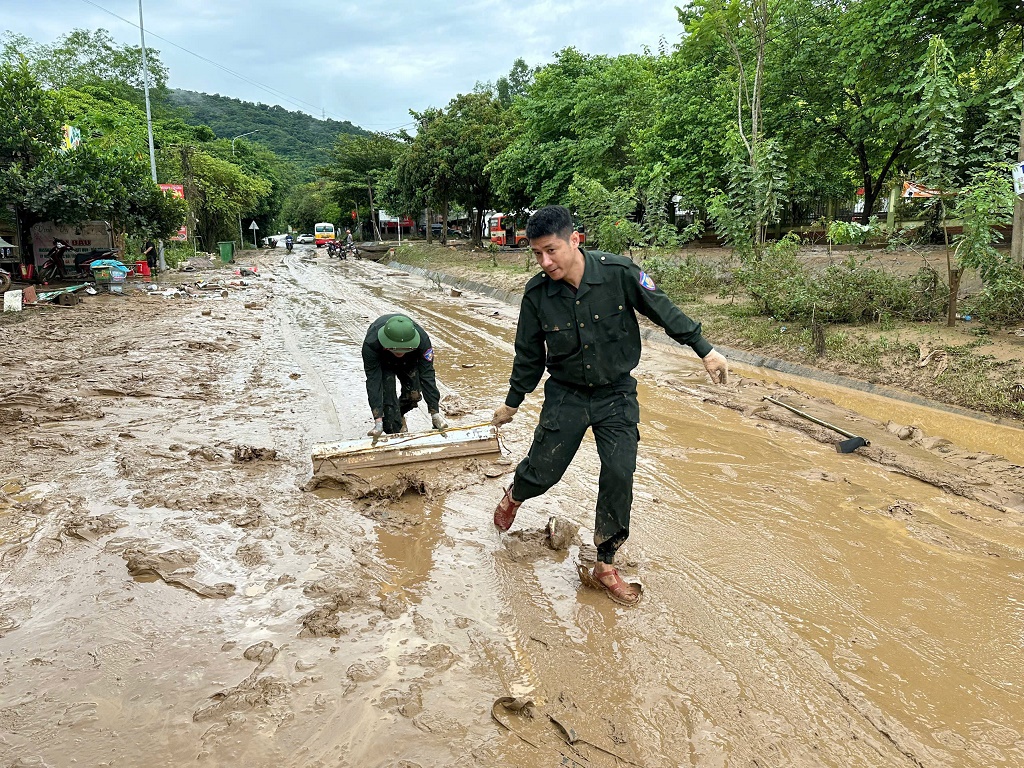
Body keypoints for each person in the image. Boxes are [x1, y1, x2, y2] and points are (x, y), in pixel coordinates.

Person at [490, 205, 729, 605]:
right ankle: (515, 494)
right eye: (537, 254)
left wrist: (705, 349)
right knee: (544, 470)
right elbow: (528, 355)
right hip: (565, 394)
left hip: (616, 393)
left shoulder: (619, 273)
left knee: (619, 473)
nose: (545, 262)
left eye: (551, 250)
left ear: (575, 241)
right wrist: (512, 402)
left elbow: (664, 310)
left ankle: (605, 564)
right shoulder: (537, 295)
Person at [362, 314, 448, 437]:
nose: (399, 352)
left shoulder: (423, 341)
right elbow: (373, 381)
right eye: (396, 349)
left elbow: (427, 374)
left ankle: (398, 413)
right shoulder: (371, 343)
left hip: (410, 360)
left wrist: (435, 413)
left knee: (414, 396)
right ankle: (393, 424)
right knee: (390, 416)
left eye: (404, 349)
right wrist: (378, 420)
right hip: (383, 362)